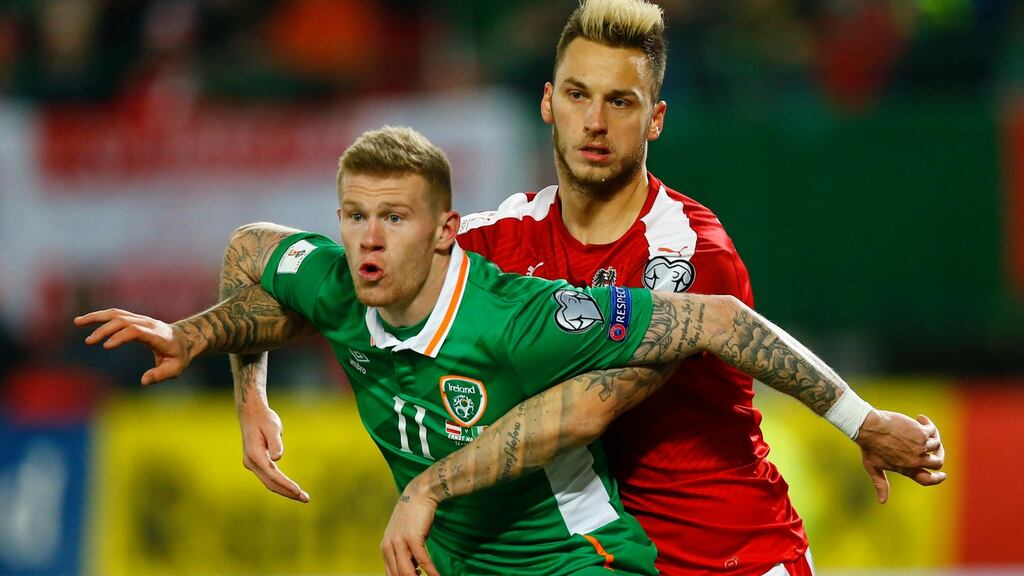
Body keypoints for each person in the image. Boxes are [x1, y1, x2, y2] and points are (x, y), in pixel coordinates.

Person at [212, 1, 945, 575]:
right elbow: (339, 295)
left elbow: (589, 409)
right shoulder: (500, 236)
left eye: (620, 102)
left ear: (656, 118)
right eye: (577, 94)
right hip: (592, 559)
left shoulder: (684, 252)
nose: (594, 122)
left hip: (729, 556)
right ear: (547, 103)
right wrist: (250, 393)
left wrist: (859, 420)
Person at [77, 126, 915, 576]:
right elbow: (249, 250)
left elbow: (719, 319)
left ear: (446, 230)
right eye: (354, 216)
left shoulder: (523, 319)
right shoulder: (338, 283)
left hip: (574, 561)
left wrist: (860, 419)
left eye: (394, 218)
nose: (368, 239)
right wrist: (232, 380)